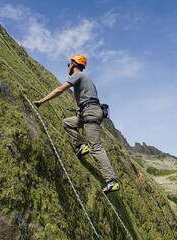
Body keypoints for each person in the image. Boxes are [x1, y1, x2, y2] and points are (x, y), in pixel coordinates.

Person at [34, 54, 120, 194]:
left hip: (90, 112)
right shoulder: (86, 79)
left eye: (69, 64)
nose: (68, 66)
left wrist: (42, 101)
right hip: (88, 112)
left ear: (74, 64)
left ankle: (112, 181)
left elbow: (60, 89)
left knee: (96, 147)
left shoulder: (78, 75)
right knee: (68, 123)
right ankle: (81, 146)